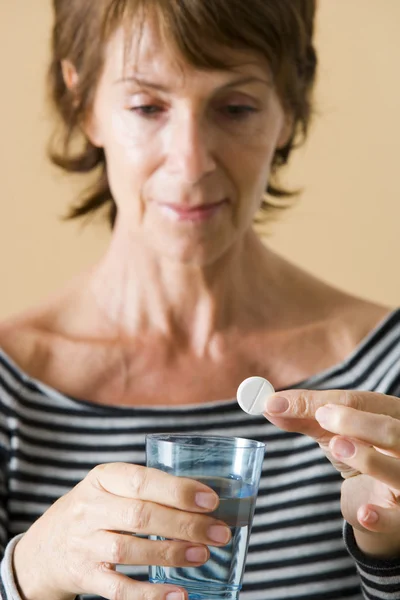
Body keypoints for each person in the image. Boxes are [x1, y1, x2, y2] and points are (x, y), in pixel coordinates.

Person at [0, 0, 399, 599]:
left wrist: (390, 557)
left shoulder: (388, 370)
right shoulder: (10, 387)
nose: (191, 163)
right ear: (83, 103)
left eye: (235, 108)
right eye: (147, 106)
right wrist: (26, 575)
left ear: (289, 108)